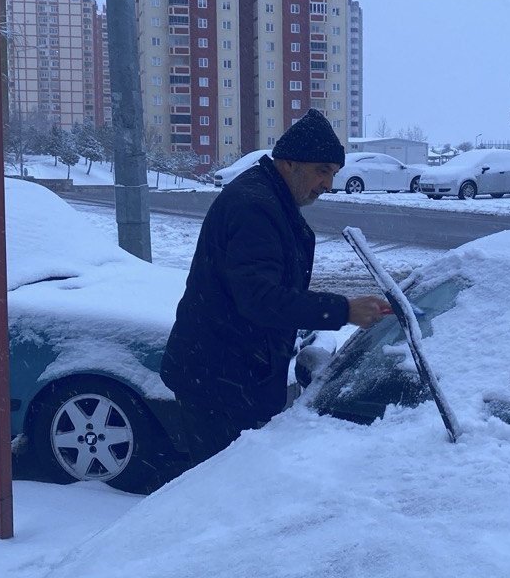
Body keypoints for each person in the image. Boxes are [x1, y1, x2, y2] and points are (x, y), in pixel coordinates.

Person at [160, 109, 389, 467]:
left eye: (334, 173)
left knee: (226, 486)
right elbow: (260, 299)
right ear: (288, 164)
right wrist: (344, 310)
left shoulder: (268, 198)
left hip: (226, 375)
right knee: (223, 491)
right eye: (322, 171)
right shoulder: (255, 207)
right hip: (219, 384)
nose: (328, 184)